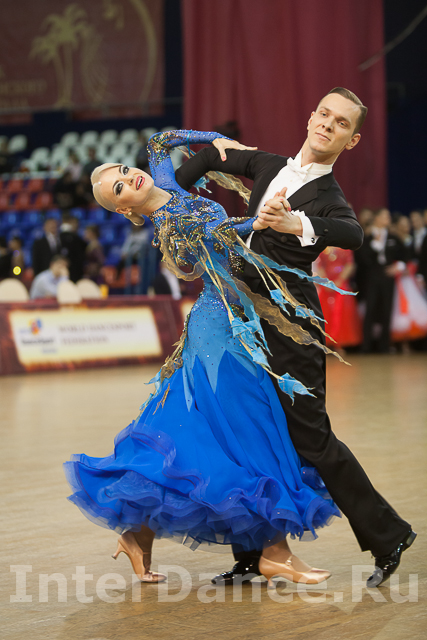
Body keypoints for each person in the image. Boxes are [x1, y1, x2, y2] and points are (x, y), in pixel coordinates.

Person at [64, 130, 347, 586]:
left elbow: (159, 142)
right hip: (220, 332)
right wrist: (258, 222)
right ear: (123, 210)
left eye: (125, 171)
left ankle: (138, 535)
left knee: (205, 431)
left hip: (236, 321)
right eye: (119, 187)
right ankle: (274, 552)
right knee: (251, 428)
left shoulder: (166, 183)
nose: (130, 179)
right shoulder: (167, 223)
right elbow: (219, 234)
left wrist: (216, 139)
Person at [175, 88, 415, 588]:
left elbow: (352, 234)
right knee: (246, 430)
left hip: (291, 325)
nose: (328, 124)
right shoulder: (267, 165)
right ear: (310, 118)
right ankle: (251, 555)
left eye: (342, 123)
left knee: (311, 437)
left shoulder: (330, 198)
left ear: (351, 141)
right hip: (238, 319)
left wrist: (296, 222)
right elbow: (211, 158)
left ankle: (388, 534)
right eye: (324, 114)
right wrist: (173, 195)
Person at [359, 208, 407, 353]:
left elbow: (405, 255)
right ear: (377, 218)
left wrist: (398, 266)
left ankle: (384, 346)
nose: (388, 218)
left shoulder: (393, 237)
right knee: (370, 310)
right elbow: (362, 258)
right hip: (372, 278)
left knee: (387, 309)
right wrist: (375, 246)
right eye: (385, 216)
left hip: (388, 278)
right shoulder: (367, 237)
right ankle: (366, 346)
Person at [313, 247, 362, 350]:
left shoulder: (346, 248)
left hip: (341, 285)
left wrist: (340, 280)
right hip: (326, 286)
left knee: (342, 312)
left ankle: (340, 343)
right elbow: (320, 265)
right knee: (325, 313)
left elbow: (349, 264)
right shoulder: (323, 248)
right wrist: (326, 282)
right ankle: (325, 342)